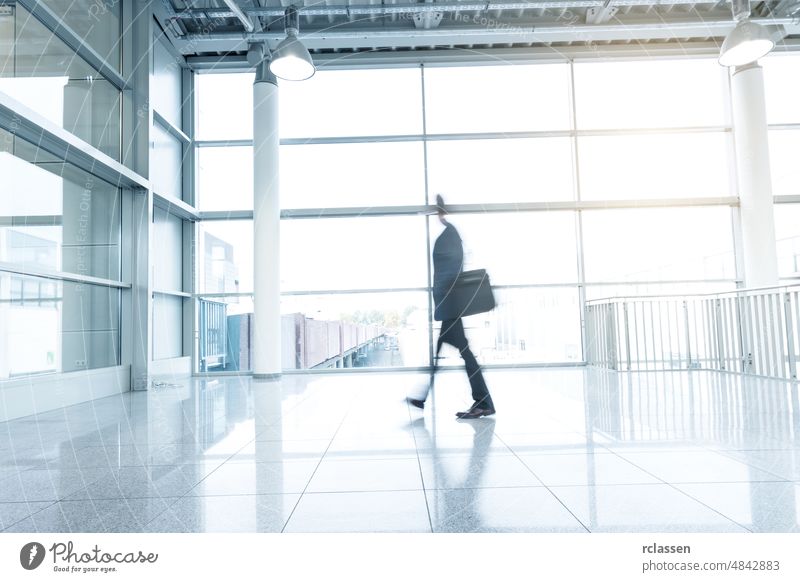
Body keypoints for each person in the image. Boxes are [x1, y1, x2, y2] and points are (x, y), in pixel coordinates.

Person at [407, 195, 495, 419]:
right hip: (449, 307)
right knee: (455, 353)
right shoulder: (450, 233)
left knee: (461, 354)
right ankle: (425, 397)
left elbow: (449, 274)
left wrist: (444, 304)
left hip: (450, 307)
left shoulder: (449, 235)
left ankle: (483, 401)